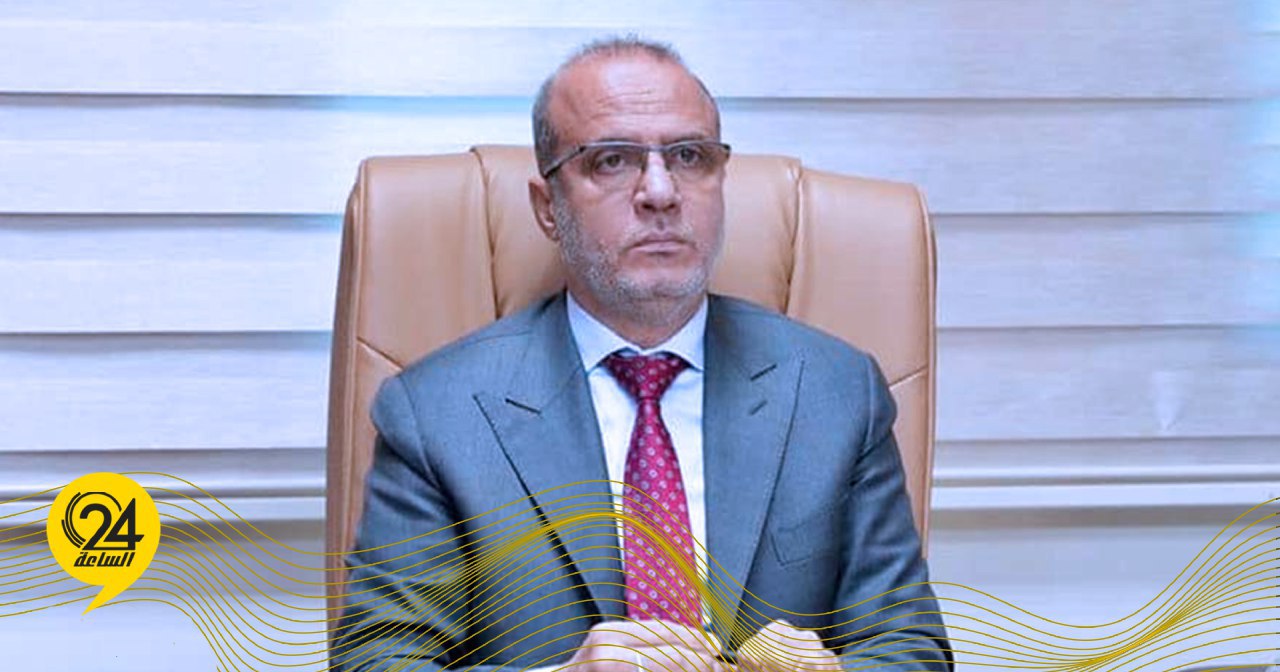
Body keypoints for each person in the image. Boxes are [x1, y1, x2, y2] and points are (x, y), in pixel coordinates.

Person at [336, 37, 952, 672]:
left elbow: (909, 645)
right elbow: (376, 659)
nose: (661, 192)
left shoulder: (836, 392)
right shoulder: (436, 415)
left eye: (689, 156)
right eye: (612, 161)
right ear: (547, 208)